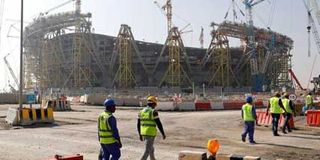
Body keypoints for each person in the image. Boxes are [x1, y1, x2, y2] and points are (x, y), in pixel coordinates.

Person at [137, 96, 166, 160]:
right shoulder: (153, 111)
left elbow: (138, 124)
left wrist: (140, 134)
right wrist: (163, 133)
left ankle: (153, 159)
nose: (155, 106)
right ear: (153, 104)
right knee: (147, 150)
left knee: (151, 148)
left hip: (143, 132)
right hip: (150, 133)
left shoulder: (141, 111)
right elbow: (159, 123)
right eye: (155, 105)